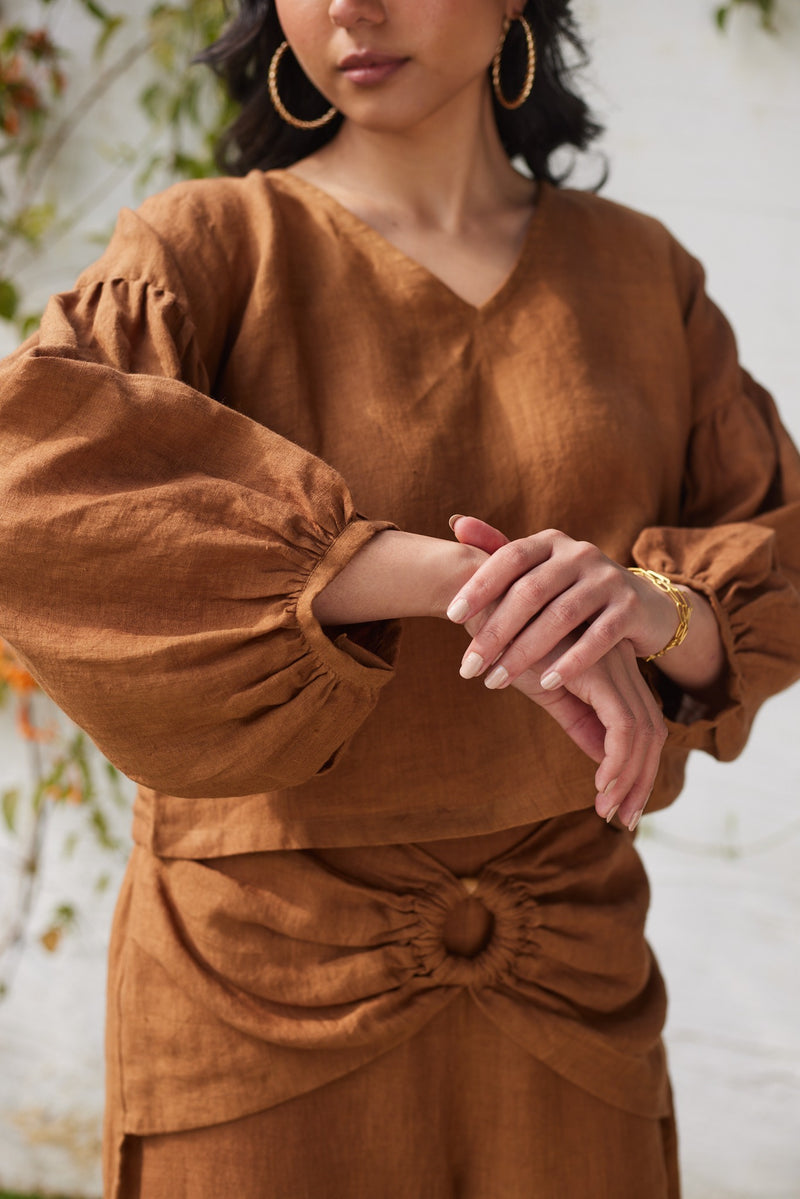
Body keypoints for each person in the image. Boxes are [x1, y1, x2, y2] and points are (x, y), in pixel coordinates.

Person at [1, 0, 799, 1195]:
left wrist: (647, 608)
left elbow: (771, 566)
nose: (346, 11)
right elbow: (35, 490)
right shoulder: (207, 246)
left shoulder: (642, 274)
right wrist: (437, 577)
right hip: (257, 1012)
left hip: (570, 995)